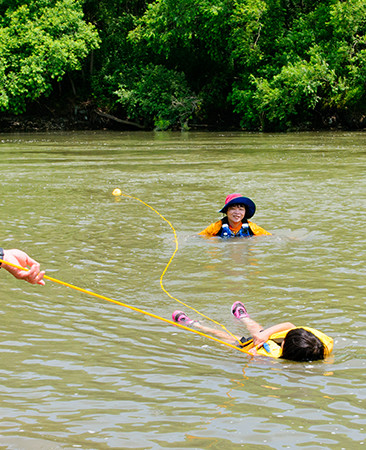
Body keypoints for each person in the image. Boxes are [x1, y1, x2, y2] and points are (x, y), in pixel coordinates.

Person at [172, 301, 333, 362]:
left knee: (233, 339)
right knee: (260, 331)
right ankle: (244, 317)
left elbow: (256, 356)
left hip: (260, 348)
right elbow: (289, 325)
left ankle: (195, 325)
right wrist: (264, 335)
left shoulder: (275, 357)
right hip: (271, 338)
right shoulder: (319, 341)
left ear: (284, 351)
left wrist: (254, 354)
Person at [198, 193, 271, 238]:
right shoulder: (215, 227)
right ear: (226, 211)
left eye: (241, 209)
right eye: (233, 209)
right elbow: (198, 237)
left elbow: (270, 237)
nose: (237, 212)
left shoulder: (253, 228)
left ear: (245, 212)